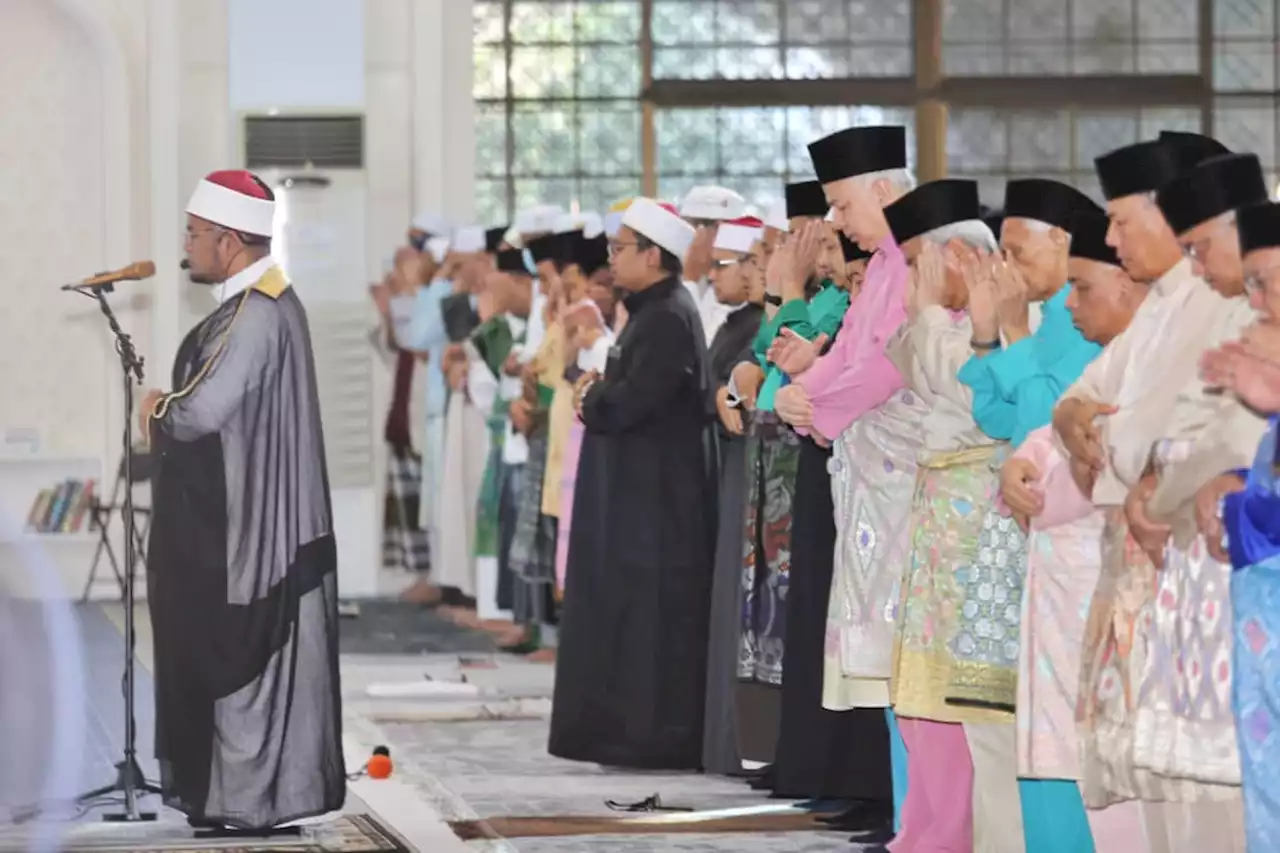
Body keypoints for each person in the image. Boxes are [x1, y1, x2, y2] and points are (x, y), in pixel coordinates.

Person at [1051, 133, 1243, 848]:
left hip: (1195, 560)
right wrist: (1072, 420)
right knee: (1153, 773)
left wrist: (1141, 469)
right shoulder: (1164, 300)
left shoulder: (1229, 298)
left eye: (1122, 220)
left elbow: (1205, 428)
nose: (1110, 237)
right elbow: (1083, 396)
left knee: (1206, 780)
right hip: (1136, 561)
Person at [142, 169, 344, 829]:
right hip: (239, 517)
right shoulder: (256, 304)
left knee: (234, 660)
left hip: (242, 533)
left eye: (196, 234)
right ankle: (235, 794)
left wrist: (155, 409)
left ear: (229, 241)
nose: (188, 245)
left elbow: (200, 411)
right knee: (232, 661)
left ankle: (244, 796)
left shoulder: (256, 312)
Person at [953, 178, 1102, 850]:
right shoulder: (1050, 315)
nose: (1006, 266)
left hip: (1072, 544)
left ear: (1064, 243)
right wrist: (989, 338)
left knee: (1061, 724)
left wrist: (1010, 328)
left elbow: (1050, 419)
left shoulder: (1085, 314)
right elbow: (997, 415)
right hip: (1029, 534)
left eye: (1017, 250)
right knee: (1023, 721)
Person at [1001, 210, 1153, 852]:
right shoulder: (1124, 350)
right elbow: (1053, 428)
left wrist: (1040, 475)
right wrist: (1020, 464)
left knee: (1111, 759)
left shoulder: (1160, 345)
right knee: (1059, 743)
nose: (1069, 301)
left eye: (1084, 287)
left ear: (1130, 283)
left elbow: (1100, 466)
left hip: (1112, 577)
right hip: (1067, 584)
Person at [548, 198, 716, 769]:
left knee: (650, 627)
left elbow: (628, 403)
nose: (611, 259)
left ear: (653, 255)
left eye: (620, 249)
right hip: (637, 503)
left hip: (656, 510)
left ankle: (647, 740)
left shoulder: (668, 315)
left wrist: (592, 394)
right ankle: (620, 735)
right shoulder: (649, 311)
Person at [703, 215, 768, 776]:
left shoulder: (760, 325)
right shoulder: (740, 325)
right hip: (732, 468)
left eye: (725, 264)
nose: (713, 275)